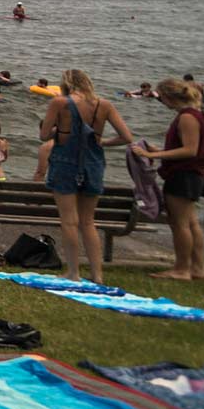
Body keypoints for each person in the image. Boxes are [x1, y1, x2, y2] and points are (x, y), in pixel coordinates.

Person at [40, 68, 136, 284]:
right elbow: (126, 137)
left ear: (66, 84)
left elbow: (44, 135)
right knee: (88, 222)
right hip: (93, 164)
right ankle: (97, 274)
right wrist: (103, 142)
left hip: (65, 162)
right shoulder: (104, 105)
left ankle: (73, 272)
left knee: (69, 221)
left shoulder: (60, 103)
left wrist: (59, 131)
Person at [133, 78, 204, 282]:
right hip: (191, 174)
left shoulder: (187, 117)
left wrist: (151, 155)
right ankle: (198, 267)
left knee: (179, 224)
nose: (161, 101)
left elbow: (190, 150)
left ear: (169, 96)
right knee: (191, 222)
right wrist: (160, 149)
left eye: (161, 97)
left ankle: (181, 269)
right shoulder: (197, 114)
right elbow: (186, 146)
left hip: (183, 175)